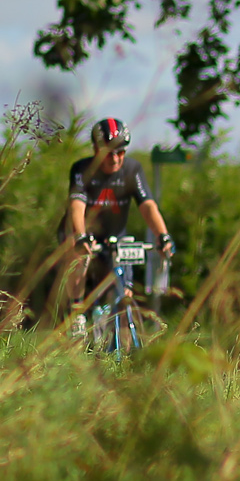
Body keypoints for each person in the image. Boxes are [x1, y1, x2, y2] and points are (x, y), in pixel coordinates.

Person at [63, 117, 174, 332]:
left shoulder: (132, 170)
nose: (115, 159)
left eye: (121, 152)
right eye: (109, 153)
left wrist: (163, 235)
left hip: (116, 236)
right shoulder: (82, 169)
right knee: (80, 258)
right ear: (96, 150)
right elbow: (77, 206)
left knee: (125, 294)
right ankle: (76, 314)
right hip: (86, 233)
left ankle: (124, 337)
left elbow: (148, 206)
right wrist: (80, 236)